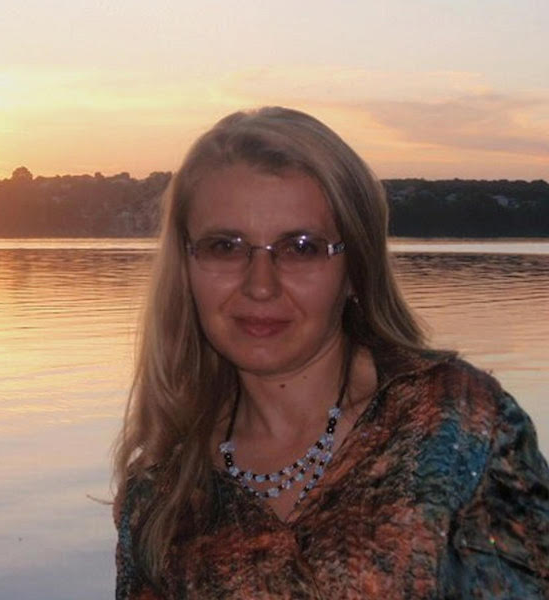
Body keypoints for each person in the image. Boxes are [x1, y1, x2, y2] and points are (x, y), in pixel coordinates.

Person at [113, 107, 549, 599]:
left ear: (356, 269)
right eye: (225, 246)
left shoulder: (458, 425)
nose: (260, 286)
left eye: (301, 247)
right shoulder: (162, 498)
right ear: (186, 266)